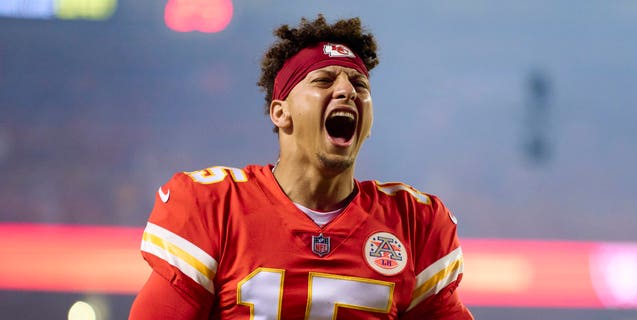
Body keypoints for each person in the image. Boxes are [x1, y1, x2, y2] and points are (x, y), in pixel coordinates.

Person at [129, 14, 474, 320]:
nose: (347, 91)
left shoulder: (414, 222)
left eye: (359, 85)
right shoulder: (213, 206)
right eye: (324, 81)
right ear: (281, 113)